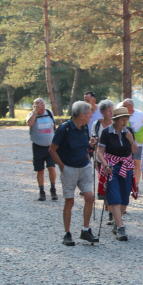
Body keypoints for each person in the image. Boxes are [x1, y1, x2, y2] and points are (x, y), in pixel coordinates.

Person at [48, 101, 99, 246]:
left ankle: (86, 230)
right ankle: (67, 233)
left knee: (89, 197)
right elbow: (52, 149)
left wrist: (90, 143)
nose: (91, 115)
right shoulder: (64, 129)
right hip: (69, 168)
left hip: (84, 167)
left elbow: (82, 145)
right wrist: (63, 167)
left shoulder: (84, 128)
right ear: (81, 115)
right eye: (89, 113)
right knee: (69, 201)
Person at [96, 107, 137, 241]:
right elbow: (100, 152)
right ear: (115, 120)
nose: (125, 122)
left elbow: (135, 150)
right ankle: (120, 228)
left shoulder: (129, 131)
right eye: (122, 119)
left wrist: (131, 140)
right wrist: (105, 165)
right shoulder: (107, 132)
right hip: (111, 167)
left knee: (125, 198)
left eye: (127, 119)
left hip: (126, 166)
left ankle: (116, 220)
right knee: (114, 197)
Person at [26, 98, 58, 201]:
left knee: (52, 168)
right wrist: (35, 111)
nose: (41, 107)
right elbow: (30, 123)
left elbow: (54, 126)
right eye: (39, 105)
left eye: (43, 104)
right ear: (34, 106)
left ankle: (53, 189)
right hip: (38, 147)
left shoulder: (49, 113)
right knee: (40, 170)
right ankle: (41, 191)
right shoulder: (31, 115)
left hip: (50, 147)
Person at [92, 99, 115, 200]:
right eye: (108, 111)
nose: (111, 113)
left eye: (112, 110)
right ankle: (104, 196)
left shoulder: (115, 124)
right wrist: (92, 141)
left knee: (112, 179)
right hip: (100, 157)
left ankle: (110, 201)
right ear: (102, 112)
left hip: (113, 157)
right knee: (102, 177)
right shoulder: (97, 125)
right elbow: (92, 140)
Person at [123, 98, 143, 177]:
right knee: (128, 164)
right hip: (127, 143)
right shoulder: (122, 115)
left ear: (131, 106)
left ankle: (136, 185)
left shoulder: (140, 114)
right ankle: (129, 183)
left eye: (124, 106)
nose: (123, 107)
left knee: (137, 163)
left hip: (139, 143)